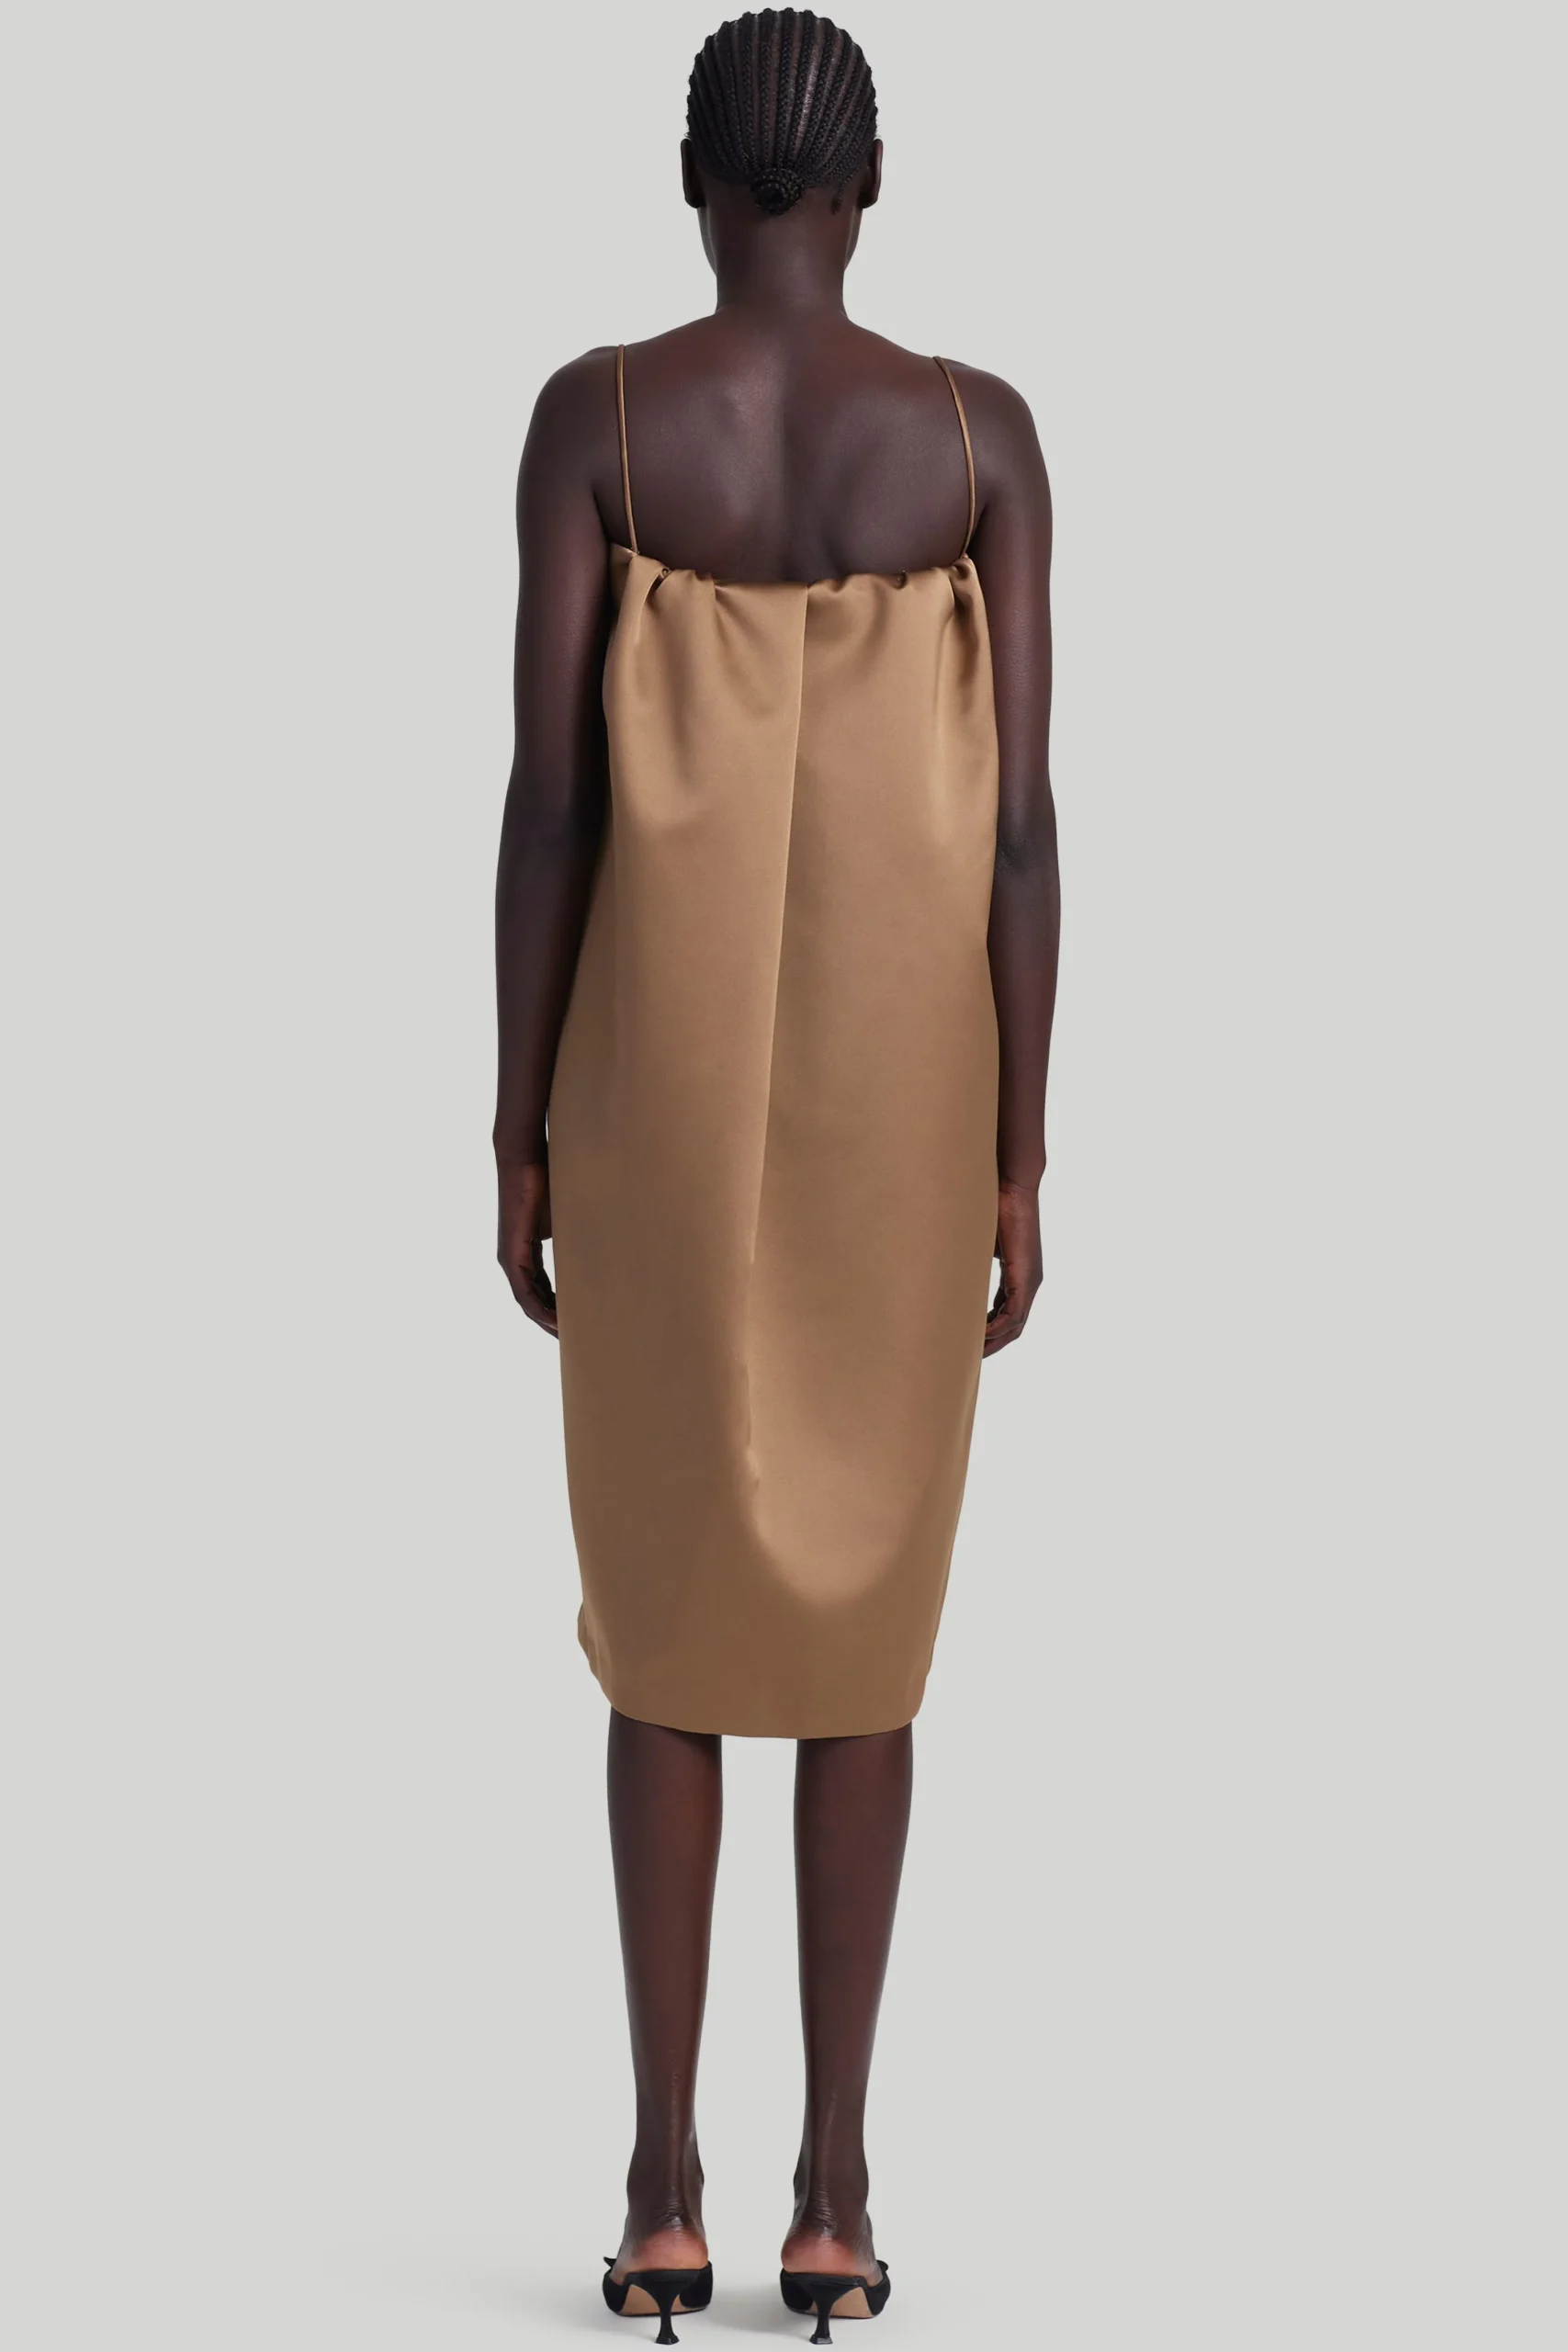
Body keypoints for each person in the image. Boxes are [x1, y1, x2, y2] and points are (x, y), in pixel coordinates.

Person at [493, 10, 1058, 2341]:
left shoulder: (605, 422)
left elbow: (549, 801)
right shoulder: (977, 439)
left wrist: (512, 1116)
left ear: (694, 184)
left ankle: (660, 2189)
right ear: (872, 184)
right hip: (912, 1100)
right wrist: (1021, 1148)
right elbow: (1019, 826)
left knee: (662, 1627)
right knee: (860, 1641)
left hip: (646, 1082)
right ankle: (835, 2194)